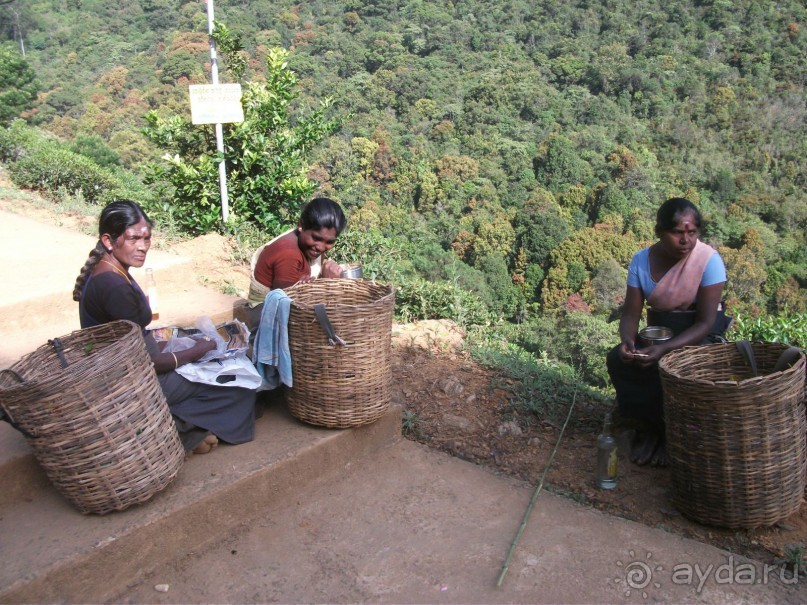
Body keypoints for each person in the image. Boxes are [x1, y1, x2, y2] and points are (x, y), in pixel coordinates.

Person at [73, 200, 256, 455]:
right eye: (133, 238)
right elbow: (148, 362)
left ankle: (186, 426)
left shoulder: (111, 270)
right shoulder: (113, 286)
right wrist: (197, 351)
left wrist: (187, 343)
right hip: (133, 381)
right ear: (108, 240)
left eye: (146, 238)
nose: (142, 246)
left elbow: (131, 338)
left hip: (129, 369)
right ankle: (178, 430)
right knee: (239, 385)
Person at [606, 198, 730, 467]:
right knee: (618, 360)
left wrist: (665, 349)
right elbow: (631, 314)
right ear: (660, 231)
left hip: (699, 337)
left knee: (673, 369)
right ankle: (649, 428)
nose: (686, 240)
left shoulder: (708, 261)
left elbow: (706, 323)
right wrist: (628, 341)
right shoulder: (641, 261)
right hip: (659, 333)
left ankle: (669, 435)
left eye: (692, 232)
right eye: (677, 232)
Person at [244, 197, 347, 327]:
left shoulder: (309, 246)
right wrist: (327, 283)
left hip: (288, 302)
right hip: (265, 315)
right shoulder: (289, 254)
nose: (321, 247)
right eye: (316, 238)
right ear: (301, 226)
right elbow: (293, 307)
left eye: (329, 242)